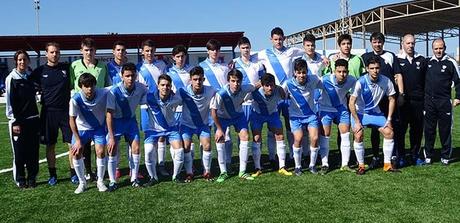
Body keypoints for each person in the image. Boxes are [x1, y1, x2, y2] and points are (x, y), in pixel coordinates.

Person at [257, 27, 305, 167]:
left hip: (288, 96)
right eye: (275, 39)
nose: (278, 42)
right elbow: (249, 57)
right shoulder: (264, 53)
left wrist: (327, 57)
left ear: (284, 38)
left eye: (280, 39)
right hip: (273, 96)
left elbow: (309, 51)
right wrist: (234, 61)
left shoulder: (291, 51)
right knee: (273, 128)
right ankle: (272, 157)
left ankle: (292, 154)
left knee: (290, 126)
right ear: (271, 39)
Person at [349, 56, 400, 175]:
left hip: (376, 113)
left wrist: (389, 119)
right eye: (372, 68)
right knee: (358, 135)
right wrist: (357, 121)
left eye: (377, 68)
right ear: (367, 69)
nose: (375, 70)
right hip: (360, 114)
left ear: (380, 68)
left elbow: (392, 99)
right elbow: (351, 102)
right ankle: (361, 165)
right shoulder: (360, 82)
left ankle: (387, 165)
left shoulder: (386, 81)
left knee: (389, 133)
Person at [30, 42, 72, 186]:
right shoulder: (39, 71)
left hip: (66, 111)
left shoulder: (66, 68)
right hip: (48, 113)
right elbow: (28, 85)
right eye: (52, 52)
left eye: (57, 52)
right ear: (46, 54)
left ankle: (74, 173)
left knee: (71, 144)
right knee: (50, 145)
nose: (55, 55)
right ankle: (52, 174)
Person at [361, 32, 405, 168]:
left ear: (383, 42)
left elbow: (398, 75)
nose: (377, 44)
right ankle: (375, 156)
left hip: (389, 99)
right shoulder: (365, 57)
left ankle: (393, 156)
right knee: (375, 130)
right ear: (371, 43)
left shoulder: (390, 56)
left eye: (379, 42)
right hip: (373, 100)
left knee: (392, 127)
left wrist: (401, 94)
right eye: (374, 42)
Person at [69, 38, 109, 181]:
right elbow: (72, 87)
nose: (89, 53)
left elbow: (106, 86)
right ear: (81, 51)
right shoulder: (74, 65)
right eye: (86, 50)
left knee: (99, 146)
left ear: (95, 51)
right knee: (81, 144)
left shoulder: (102, 67)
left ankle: (99, 174)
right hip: (81, 110)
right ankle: (86, 171)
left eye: (91, 50)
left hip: (97, 109)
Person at [106, 63, 148, 190]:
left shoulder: (141, 88)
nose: (130, 78)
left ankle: (134, 178)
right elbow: (109, 115)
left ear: (136, 76)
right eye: (127, 76)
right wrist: (111, 136)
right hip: (116, 122)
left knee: (136, 148)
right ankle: (113, 181)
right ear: (122, 76)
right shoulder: (114, 91)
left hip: (130, 122)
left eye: (132, 75)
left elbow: (147, 102)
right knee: (112, 149)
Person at [210, 69, 255, 182]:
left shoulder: (245, 88)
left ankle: (242, 171)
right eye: (233, 81)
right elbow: (213, 111)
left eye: (238, 81)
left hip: (238, 117)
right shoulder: (221, 93)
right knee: (220, 139)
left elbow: (257, 85)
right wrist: (219, 129)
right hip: (222, 118)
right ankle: (223, 172)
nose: (236, 84)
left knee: (245, 137)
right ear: (228, 81)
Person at [69, 73, 109, 194]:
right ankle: (82, 183)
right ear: (81, 86)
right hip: (82, 130)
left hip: (98, 128)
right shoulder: (75, 99)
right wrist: (78, 140)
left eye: (91, 85)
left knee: (101, 151)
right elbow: (71, 120)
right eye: (86, 86)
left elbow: (117, 86)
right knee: (76, 153)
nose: (89, 88)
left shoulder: (103, 93)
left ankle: (100, 181)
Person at [6, 50, 40, 189]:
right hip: (18, 122)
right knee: (19, 152)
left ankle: (32, 178)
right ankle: (20, 179)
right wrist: (15, 121)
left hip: (33, 120)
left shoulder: (29, 78)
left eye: (24, 59)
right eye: (19, 60)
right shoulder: (11, 78)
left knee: (33, 151)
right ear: (16, 61)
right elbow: (10, 102)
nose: (22, 62)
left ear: (28, 61)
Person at [423, 38, 460, 165]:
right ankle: (428, 155)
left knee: (445, 130)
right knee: (429, 130)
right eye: (436, 48)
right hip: (429, 102)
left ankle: (445, 156)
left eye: (441, 48)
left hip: (444, 102)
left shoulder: (451, 62)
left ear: (444, 48)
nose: (438, 51)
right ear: (432, 49)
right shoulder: (427, 62)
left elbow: (458, 81)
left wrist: (458, 97)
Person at [282, 59, 322, 176]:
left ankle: (312, 165)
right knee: (298, 139)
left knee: (314, 138)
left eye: (304, 72)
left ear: (307, 72)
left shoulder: (313, 79)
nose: (301, 75)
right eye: (299, 72)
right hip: (295, 116)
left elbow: (324, 86)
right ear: (294, 73)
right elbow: (279, 93)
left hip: (311, 115)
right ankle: (298, 166)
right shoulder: (288, 83)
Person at [199, 39, 233, 171]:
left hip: (222, 106)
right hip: (207, 106)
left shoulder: (224, 67)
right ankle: (205, 165)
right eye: (212, 49)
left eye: (217, 50)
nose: (214, 52)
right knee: (205, 136)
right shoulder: (201, 66)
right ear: (207, 51)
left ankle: (227, 162)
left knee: (226, 135)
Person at [144, 74, 185, 183]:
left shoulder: (176, 98)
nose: (165, 87)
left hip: (171, 129)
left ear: (171, 87)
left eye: (167, 85)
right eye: (162, 85)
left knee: (180, 151)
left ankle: (176, 176)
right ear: (157, 86)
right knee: (148, 151)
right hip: (153, 129)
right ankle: (153, 177)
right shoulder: (149, 97)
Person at [318, 59, 356, 174]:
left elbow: (356, 93)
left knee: (346, 135)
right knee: (325, 135)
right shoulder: (325, 79)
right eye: (339, 71)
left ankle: (345, 164)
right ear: (334, 71)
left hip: (342, 109)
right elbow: (311, 87)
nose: (342, 74)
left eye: (344, 72)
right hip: (326, 109)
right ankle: (325, 164)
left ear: (348, 72)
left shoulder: (352, 80)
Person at [178, 66, 216, 182]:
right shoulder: (183, 91)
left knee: (207, 145)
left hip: (202, 125)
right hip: (187, 125)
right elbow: (171, 100)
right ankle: (189, 172)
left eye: (200, 79)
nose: (198, 82)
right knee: (186, 146)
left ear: (203, 79)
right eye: (195, 79)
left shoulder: (211, 90)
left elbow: (223, 95)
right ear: (190, 80)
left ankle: (207, 171)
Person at [249, 73, 292, 177]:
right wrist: (254, 86)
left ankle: (282, 167)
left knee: (280, 135)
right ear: (262, 85)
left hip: (272, 114)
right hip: (257, 115)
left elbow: (284, 96)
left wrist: (279, 87)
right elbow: (242, 98)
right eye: (267, 85)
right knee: (257, 138)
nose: (270, 88)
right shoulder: (254, 92)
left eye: (272, 85)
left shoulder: (277, 90)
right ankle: (257, 168)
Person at [137, 39, 168, 177]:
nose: (149, 53)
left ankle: (161, 165)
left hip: (161, 105)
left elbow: (167, 82)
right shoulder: (137, 68)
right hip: (145, 106)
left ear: (155, 51)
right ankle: (151, 165)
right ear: (142, 52)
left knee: (161, 136)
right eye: (147, 51)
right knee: (150, 135)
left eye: (151, 50)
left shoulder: (161, 65)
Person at [396, 33, 427, 165]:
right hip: (403, 102)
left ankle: (415, 155)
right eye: (408, 43)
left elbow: (426, 81)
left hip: (418, 102)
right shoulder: (396, 59)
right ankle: (401, 156)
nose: (410, 45)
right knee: (400, 130)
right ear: (403, 43)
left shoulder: (421, 59)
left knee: (417, 130)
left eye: (413, 43)